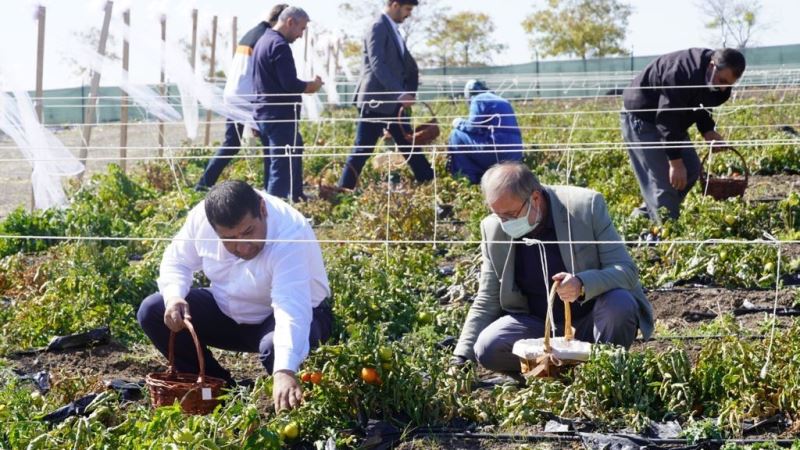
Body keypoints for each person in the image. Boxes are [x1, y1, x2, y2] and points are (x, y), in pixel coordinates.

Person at [137, 180, 332, 412]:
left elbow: (291, 307)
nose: (243, 246)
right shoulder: (203, 219)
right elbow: (176, 261)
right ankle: (221, 389)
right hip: (229, 311)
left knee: (277, 349)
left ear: (262, 209)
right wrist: (175, 297)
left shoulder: (289, 233)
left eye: (248, 231)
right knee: (154, 310)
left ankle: (296, 404)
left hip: (293, 316)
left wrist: (284, 371)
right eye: (230, 239)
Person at [450, 162, 654, 374]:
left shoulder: (584, 208)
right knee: (488, 347)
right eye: (498, 215)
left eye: (510, 215)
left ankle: (605, 373)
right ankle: (555, 372)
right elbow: (487, 298)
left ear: (535, 198)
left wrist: (582, 283)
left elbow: (626, 271)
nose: (504, 223)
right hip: (537, 328)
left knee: (619, 305)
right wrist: (462, 357)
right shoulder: (493, 229)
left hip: (592, 321)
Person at [621, 48, 746, 221]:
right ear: (712, 66)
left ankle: (643, 219)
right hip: (643, 119)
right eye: (722, 80)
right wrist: (675, 162)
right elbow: (666, 118)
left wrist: (707, 130)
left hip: (671, 122)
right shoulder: (680, 73)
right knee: (664, 184)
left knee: (691, 170)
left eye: (729, 84)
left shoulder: (717, 83)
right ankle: (662, 241)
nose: (723, 87)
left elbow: (701, 102)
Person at [336, 0, 434, 190]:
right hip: (376, 101)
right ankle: (342, 190)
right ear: (395, 4)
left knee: (408, 144)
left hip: (391, 102)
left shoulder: (393, 29)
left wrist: (408, 93)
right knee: (363, 148)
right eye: (407, 9)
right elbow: (377, 64)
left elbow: (408, 65)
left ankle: (430, 181)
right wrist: (400, 93)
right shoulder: (378, 26)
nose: (409, 14)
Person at [196, 4, 289, 191]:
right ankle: (271, 190)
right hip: (248, 96)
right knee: (270, 142)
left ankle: (203, 184)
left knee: (231, 143)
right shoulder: (267, 37)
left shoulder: (252, 33)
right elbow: (261, 73)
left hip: (233, 93)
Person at [252, 7, 324, 202]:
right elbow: (290, 84)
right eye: (302, 28)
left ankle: (295, 195)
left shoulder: (263, 41)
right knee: (280, 166)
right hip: (280, 115)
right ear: (290, 22)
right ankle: (275, 211)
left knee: (281, 157)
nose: (301, 35)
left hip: (265, 113)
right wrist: (312, 86)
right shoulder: (279, 45)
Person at [447, 80, 523, 184]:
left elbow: (472, 127)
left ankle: (468, 177)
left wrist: (458, 122)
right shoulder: (503, 100)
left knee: (456, 134)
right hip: (515, 155)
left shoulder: (479, 99)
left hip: (498, 152)